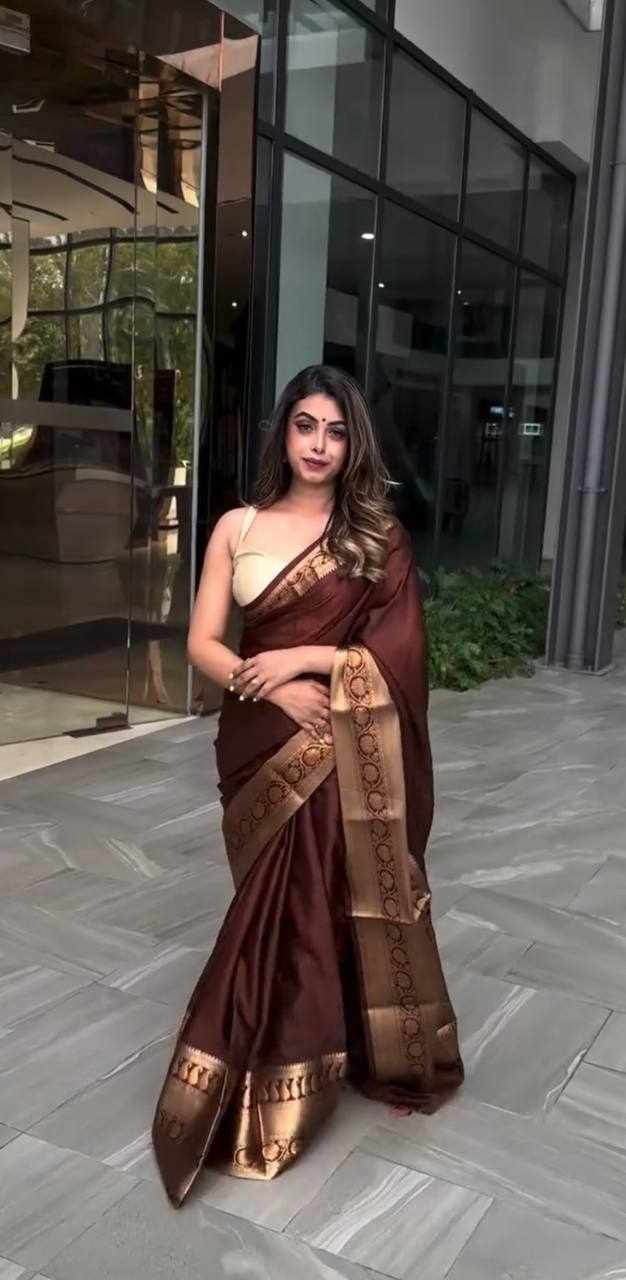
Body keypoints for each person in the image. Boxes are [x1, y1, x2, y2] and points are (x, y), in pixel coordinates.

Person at [152, 364, 464, 1207]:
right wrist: (271, 688)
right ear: (283, 432)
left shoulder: (374, 537)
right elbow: (204, 642)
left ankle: (278, 1062)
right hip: (256, 737)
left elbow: (399, 653)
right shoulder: (237, 526)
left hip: (334, 734)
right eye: (305, 426)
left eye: (335, 430)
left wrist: (301, 659)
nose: (319, 445)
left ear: (353, 441)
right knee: (271, 893)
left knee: (307, 902)